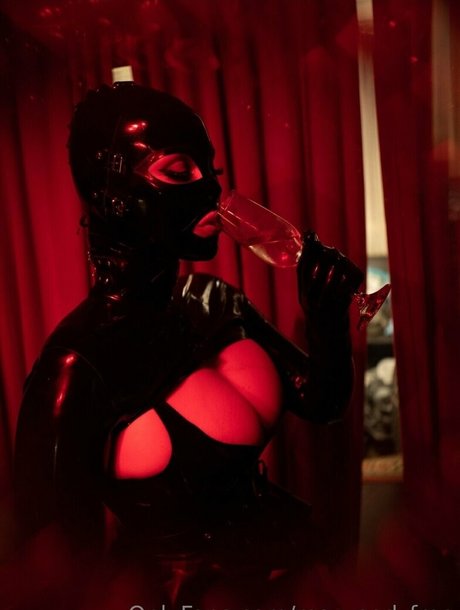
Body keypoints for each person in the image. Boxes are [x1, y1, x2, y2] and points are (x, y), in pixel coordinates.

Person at [14, 82, 362, 599]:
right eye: (179, 172)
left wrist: (327, 319)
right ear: (110, 196)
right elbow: (54, 573)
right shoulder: (75, 366)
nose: (212, 194)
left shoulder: (214, 300)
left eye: (211, 172)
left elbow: (322, 400)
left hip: (306, 573)